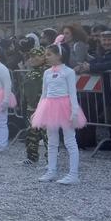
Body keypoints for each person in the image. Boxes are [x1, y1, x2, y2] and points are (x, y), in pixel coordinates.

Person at [32, 38, 87, 185]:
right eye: (46, 54)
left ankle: (73, 174)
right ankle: (51, 170)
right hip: (49, 107)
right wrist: (38, 110)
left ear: (59, 55)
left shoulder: (68, 72)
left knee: (70, 140)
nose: (46, 57)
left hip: (64, 107)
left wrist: (74, 111)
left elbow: (72, 93)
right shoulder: (47, 73)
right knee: (51, 141)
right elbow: (44, 94)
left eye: (49, 54)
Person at [19, 48, 48, 167]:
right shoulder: (30, 72)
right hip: (31, 108)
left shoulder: (47, 72)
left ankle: (50, 160)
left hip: (44, 107)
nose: (34, 59)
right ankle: (31, 157)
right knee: (31, 134)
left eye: (37, 56)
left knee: (47, 136)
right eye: (31, 56)